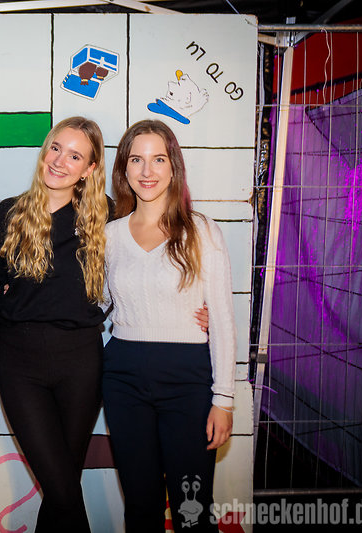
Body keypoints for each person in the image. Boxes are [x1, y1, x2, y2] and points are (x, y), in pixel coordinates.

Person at [102, 119, 236, 532]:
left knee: (191, 510)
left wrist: (224, 399)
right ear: (123, 169)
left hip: (188, 381)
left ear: (173, 166)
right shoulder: (109, 236)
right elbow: (98, 303)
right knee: (140, 507)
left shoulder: (202, 231)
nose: (147, 171)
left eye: (158, 159)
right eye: (136, 160)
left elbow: (223, 320)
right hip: (123, 378)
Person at [0, 116, 111, 533]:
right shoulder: (10, 212)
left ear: (89, 169)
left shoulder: (105, 216)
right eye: (55, 148)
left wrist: (190, 308)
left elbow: (146, 262)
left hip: (81, 363)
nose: (59, 161)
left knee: (63, 485)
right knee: (62, 487)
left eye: (75, 156)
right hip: (20, 363)